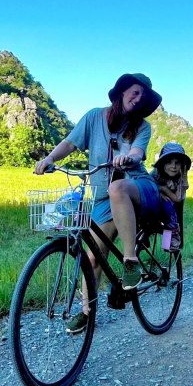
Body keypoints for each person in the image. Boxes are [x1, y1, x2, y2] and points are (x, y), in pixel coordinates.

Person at [33, 73, 163, 334]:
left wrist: (128, 157)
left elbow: (138, 151)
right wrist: (49, 159)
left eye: (143, 96)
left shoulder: (142, 127)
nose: (137, 99)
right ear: (122, 92)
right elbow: (71, 142)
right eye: (134, 92)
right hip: (104, 196)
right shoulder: (94, 117)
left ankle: (131, 262)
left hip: (137, 187)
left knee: (117, 188)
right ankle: (86, 312)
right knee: (93, 257)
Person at [150, 143, 191, 251]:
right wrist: (159, 191)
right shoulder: (154, 174)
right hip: (154, 201)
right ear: (162, 164)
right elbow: (148, 186)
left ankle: (170, 241)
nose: (173, 166)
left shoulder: (181, 178)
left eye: (177, 163)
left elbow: (177, 198)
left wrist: (164, 189)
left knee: (170, 210)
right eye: (169, 162)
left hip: (173, 203)